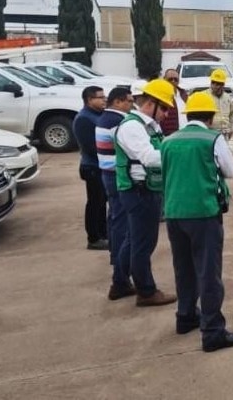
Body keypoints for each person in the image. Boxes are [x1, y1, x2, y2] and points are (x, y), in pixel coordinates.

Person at [161, 91, 233, 352]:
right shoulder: (212, 138)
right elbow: (230, 170)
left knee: (183, 268)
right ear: (210, 116)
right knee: (208, 273)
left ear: (188, 116)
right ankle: (212, 332)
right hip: (204, 213)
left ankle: (185, 317)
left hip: (174, 213)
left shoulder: (169, 140)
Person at [115, 79, 178, 307]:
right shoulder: (132, 127)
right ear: (151, 103)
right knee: (143, 244)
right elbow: (150, 157)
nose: (166, 113)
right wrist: (178, 155)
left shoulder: (149, 125)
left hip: (146, 189)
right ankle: (146, 291)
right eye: (164, 108)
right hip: (139, 192)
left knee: (133, 240)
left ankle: (120, 283)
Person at [96, 87, 134, 300]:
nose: (131, 105)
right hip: (117, 176)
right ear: (118, 102)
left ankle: (117, 263)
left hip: (108, 173)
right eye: (129, 101)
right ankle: (120, 277)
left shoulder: (104, 118)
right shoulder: (117, 122)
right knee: (123, 225)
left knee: (116, 220)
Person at [73, 85, 109, 250]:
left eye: (104, 97)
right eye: (100, 97)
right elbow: (90, 148)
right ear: (89, 100)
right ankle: (93, 238)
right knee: (95, 203)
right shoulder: (84, 119)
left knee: (102, 203)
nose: (104, 100)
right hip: (92, 167)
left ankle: (103, 233)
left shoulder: (98, 115)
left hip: (100, 167)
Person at [158, 68, 189, 136]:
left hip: (186, 134)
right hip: (169, 136)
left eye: (176, 79)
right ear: (164, 79)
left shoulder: (184, 96)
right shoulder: (159, 96)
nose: (173, 81)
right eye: (170, 79)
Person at [208, 69, 233, 139]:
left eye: (218, 83)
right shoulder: (205, 96)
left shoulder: (227, 97)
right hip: (210, 133)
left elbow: (232, 114)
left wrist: (231, 128)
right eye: (213, 82)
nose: (215, 85)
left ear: (223, 84)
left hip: (224, 133)